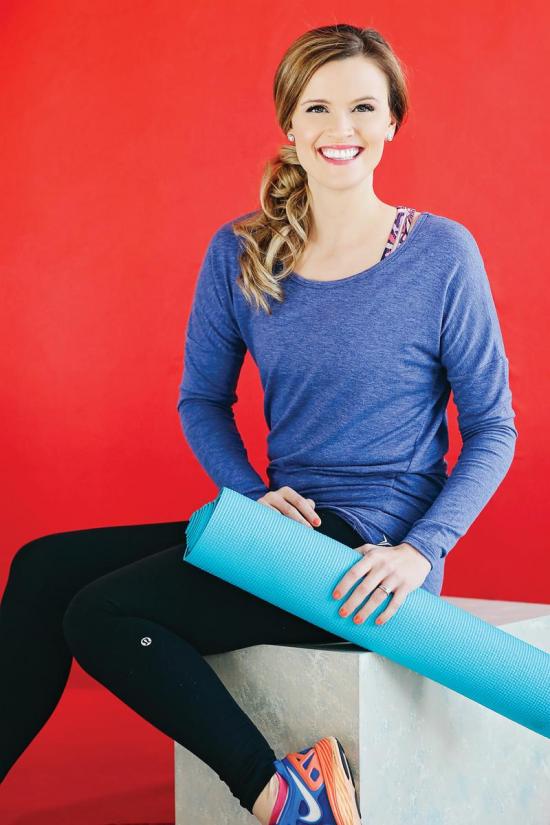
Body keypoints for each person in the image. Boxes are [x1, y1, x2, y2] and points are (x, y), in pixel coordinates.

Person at [0, 23, 517, 825]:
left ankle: (283, 795)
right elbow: (200, 400)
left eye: (363, 107)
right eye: (318, 107)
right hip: (282, 531)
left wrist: (422, 550)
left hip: (371, 550)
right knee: (41, 566)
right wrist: (247, 494)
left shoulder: (443, 255)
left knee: (100, 611)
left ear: (392, 122)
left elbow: (494, 427)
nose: (340, 128)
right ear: (289, 123)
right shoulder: (241, 251)